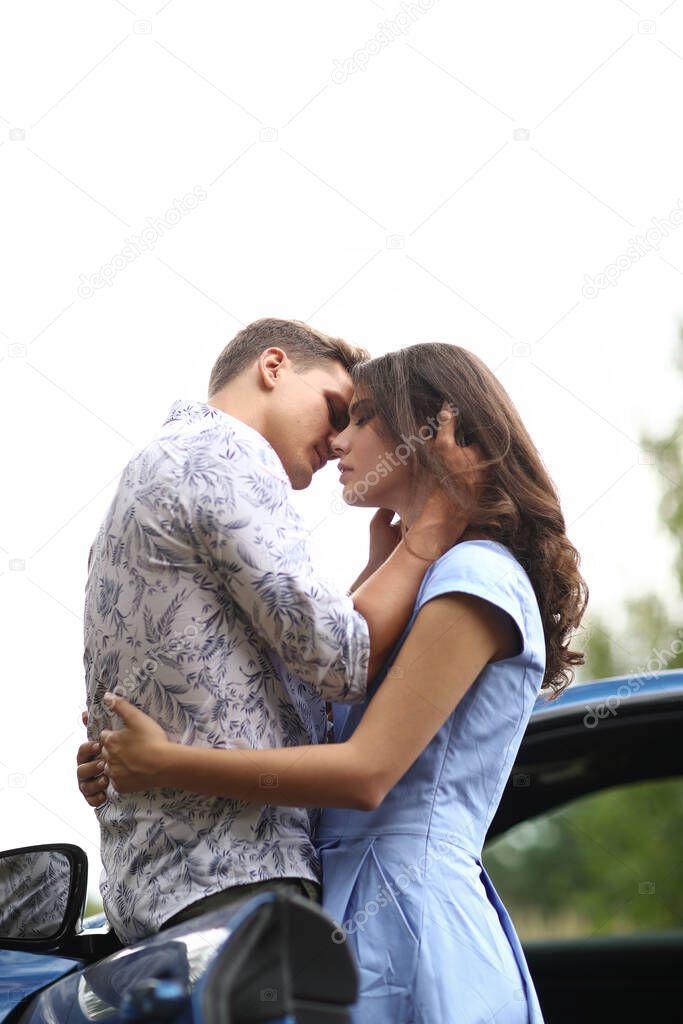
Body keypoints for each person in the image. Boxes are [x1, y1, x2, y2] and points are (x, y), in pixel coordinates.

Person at [80, 342, 588, 1022]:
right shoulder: (428, 580)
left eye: (363, 416)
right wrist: (120, 763)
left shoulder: (478, 579)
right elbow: (305, 704)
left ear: (429, 434)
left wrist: (166, 765)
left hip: (411, 924)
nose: (339, 439)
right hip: (348, 906)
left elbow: (365, 773)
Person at [80, 319, 470, 944]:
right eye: (336, 409)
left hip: (155, 893)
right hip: (237, 884)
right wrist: (429, 535)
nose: (341, 440)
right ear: (273, 367)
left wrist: (374, 568)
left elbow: (257, 679)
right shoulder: (226, 456)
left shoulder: (151, 469)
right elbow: (340, 662)